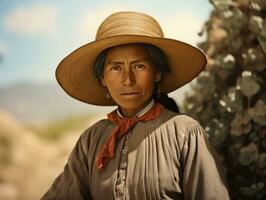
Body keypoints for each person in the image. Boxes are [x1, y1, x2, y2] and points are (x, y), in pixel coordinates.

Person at [41, 11, 230, 200]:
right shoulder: (91, 140)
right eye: (116, 68)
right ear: (103, 79)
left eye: (139, 66)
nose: (128, 80)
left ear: (157, 73)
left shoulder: (186, 133)